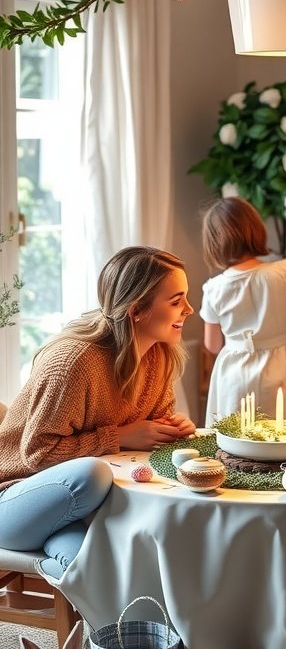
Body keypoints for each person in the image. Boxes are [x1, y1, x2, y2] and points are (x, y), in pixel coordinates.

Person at [0, 245, 196, 578]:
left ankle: (115, 626)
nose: (189, 310)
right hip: (15, 497)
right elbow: (37, 454)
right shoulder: (73, 363)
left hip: (74, 512)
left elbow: (150, 427)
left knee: (101, 568)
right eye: (176, 301)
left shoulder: (158, 355)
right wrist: (119, 436)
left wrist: (170, 427)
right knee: (91, 475)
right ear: (136, 310)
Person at [200, 197, 286, 424]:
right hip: (277, 364)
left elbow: (212, 345)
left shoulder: (213, 287)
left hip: (232, 372)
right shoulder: (284, 271)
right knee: (281, 432)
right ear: (255, 230)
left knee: (234, 438)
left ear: (214, 242)